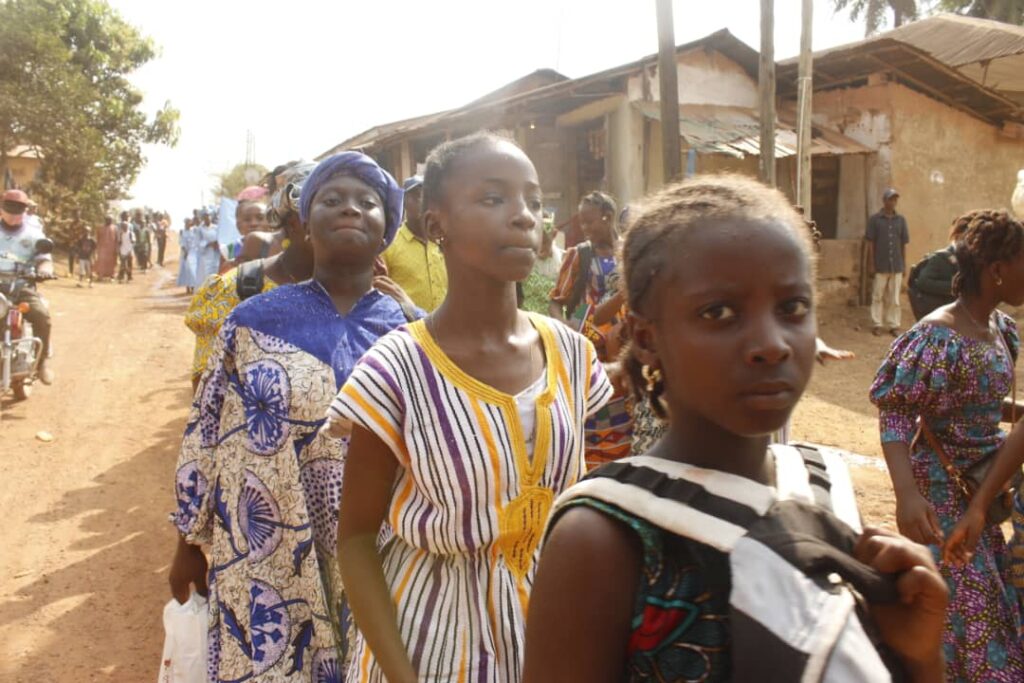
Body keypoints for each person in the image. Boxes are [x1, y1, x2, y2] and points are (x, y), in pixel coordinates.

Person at [522, 174, 948, 683]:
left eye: (792, 307)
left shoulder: (818, 486)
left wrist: (920, 657)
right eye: (718, 312)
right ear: (645, 337)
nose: (771, 343)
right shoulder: (604, 541)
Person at [331, 132, 612, 683]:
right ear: (436, 225)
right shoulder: (398, 367)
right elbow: (356, 539)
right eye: (493, 199)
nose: (524, 217)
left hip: (547, 634)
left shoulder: (572, 354)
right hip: (427, 639)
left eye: (533, 200)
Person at [169, 152, 412, 682]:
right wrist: (188, 544)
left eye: (367, 202)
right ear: (304, 219)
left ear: (387, 228)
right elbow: (205, 434)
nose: (350, 209)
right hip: (265, 554)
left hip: (383, 551)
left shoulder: (414, 333)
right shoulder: (250, 322)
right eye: (331, 200)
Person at [870, 208, 1024, 680]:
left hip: (983, 492)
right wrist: (906, 495)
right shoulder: (938, 336)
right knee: (969, 621)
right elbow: (896, 408)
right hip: (939, 498)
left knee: (979, 617)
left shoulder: (1000, 330)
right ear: (997, 271)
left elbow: (977, 402)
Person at [184, 162, 317, 393]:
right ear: (294, 219)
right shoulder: (235, 288)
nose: (350, 214)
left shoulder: (367, 296)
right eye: (329, 203)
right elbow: (206, 398)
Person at [549, 190, 632, 468]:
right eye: (582, 223)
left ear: (607, 218)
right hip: (591, 343)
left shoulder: (628, 253)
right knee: (596, 406)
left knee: (626, 405)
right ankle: (596, 471)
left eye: (589, 222)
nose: (584, 229)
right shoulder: (580, 256)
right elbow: (556, 302)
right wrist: (564, 326)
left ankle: (624, 466)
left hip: (625, 343)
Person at [0, 189, 55, 384]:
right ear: (2, 209)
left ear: (25, 210)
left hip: (21, 286)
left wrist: (44, 270)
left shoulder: (33, 234)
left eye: (18, 209)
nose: (14, 214)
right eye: (9, 208)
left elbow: (44, 259)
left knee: (42, 315)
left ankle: (41, 364)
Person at [379, 175, 448, 311]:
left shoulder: (443, 244)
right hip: (406, 329)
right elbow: (379, 291)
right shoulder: (389, 244)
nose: (423, 202)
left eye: (428, 197)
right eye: (416, 196)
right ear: (404, 202)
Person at [907, 216, 970, 321]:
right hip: (938, 314)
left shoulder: (967, 258)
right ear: (958, 236)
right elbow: (923, 282)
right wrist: (953, 286)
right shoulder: (940, 258)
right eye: (967, 237)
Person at [866, 188, 910, 337]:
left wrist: (903, 265)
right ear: (884, 201)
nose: (893, 202)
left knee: (894, 298)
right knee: (877, 295)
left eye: (895, 199)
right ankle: (877, 323)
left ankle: (893, 325)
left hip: (896, 265)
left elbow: (903, 244)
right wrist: (871, 264)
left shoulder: (901, 220)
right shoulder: (875, 220)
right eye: (890, 199)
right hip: (880, 264)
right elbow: (870, 243)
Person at [518, 210, 564, 313]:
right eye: (538, 242)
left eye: (545, 242)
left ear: (554, 235)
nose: (541, 248)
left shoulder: (564, 260)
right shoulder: (524, 261)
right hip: (530, 321)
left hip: (557, 322)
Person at [194, 210, 220, 284]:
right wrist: (208, 244)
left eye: (208, 216)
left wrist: (217, 243)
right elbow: (197, 243)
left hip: (216, 253)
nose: (207, 218)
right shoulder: (200, 229)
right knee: (207, 274)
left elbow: (221, 238)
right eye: (205, 217)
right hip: (206, 254)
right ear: (203, 218)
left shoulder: (216, 227)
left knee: (216, 272)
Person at [177, 218, 199, 293]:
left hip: (193, 252)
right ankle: (188, 287)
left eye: (189, 223)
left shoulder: (194, 230)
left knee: (193, 270)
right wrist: (185, 252)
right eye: (187, 223)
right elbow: (182, 243)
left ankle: (193, 286)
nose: (188, 224)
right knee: (187, 270)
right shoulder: (182, 232)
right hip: (186, 253)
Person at [93, 215, 117, 281]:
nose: (109, 221)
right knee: (101, 262)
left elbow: (116, 238)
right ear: (105, 220)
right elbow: (97, 238)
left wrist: (116, 248)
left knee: (111, 262)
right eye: (108, 219)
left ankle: (111, 276)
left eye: (110, 220)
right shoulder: (100, 228)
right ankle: (100, 276)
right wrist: (97, 247)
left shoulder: (114, 228)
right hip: (102, 248)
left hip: (111, 248)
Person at [116, 212, 135, 283]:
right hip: (122, 247)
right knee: (123, 263)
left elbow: (132, 239)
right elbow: (117, 237)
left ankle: (129, 275)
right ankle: (121, 275)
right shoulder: (118, 225)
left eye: (127, 216)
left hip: (129, 248)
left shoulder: (131, 226)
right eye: (125, 216)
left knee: (129, 263)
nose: (126, 218)